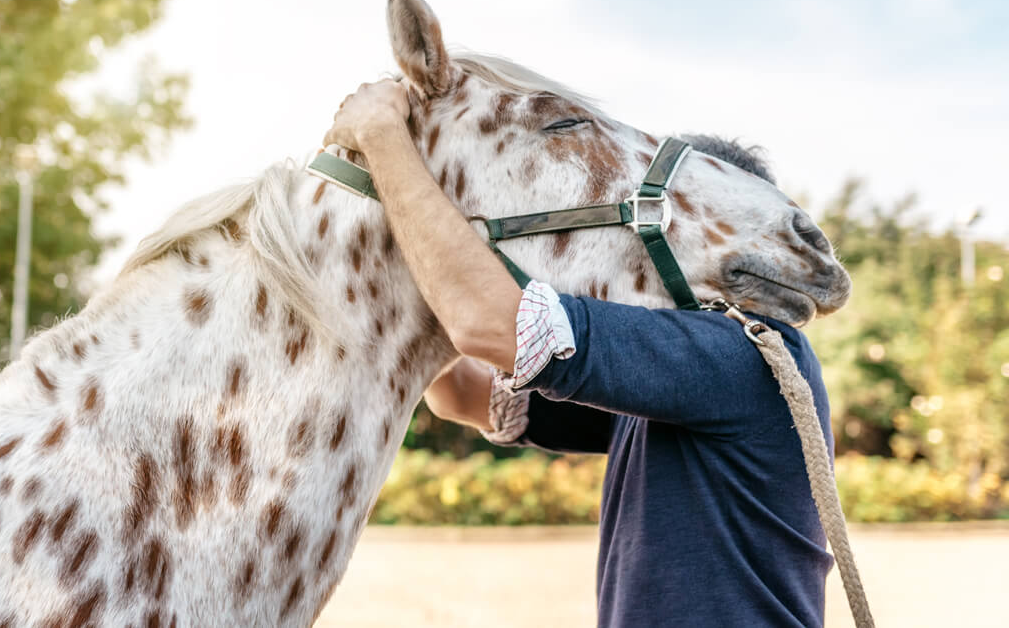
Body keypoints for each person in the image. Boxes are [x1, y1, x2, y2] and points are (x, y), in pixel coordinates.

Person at [324, 79, 835, 628]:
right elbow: (462, 394)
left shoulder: (738, 356)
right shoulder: (668, 393)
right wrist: (431, 229)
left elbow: (487, 324)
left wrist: (384, 140)